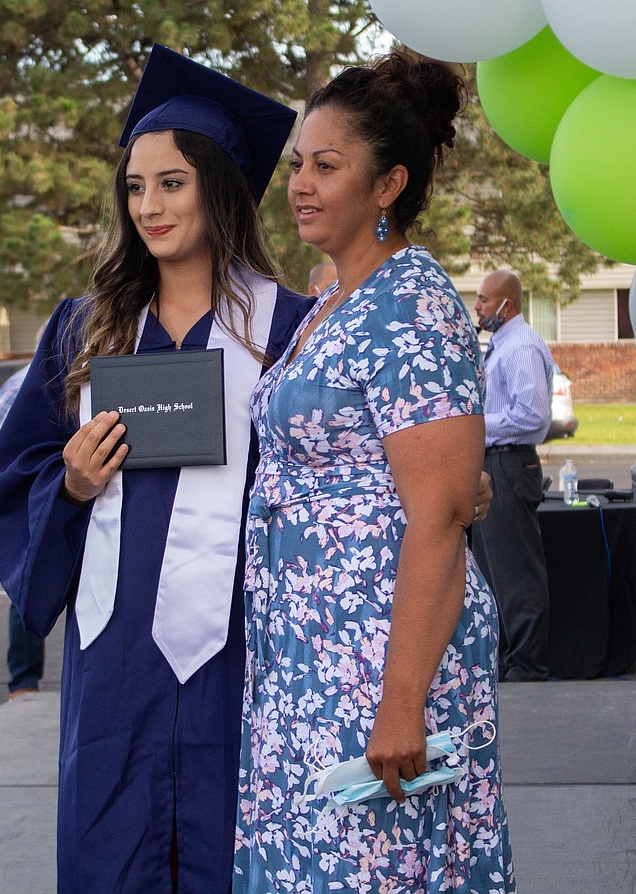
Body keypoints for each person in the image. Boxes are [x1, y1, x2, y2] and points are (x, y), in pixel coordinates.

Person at [0, 46, 311, 894]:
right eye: (134, 186)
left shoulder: (290, 326)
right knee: (111, 844)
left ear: (220, 184)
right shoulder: (85, 328)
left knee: (232, 842)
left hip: (238, 645)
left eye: (171, 182)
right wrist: (72, 483)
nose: (148, 206)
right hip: (117, 651)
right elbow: (15, 472)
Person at [234, 50, 515, 892]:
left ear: (387, 185)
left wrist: (403, 699)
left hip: (378, 653)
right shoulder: (330, 302)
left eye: (328, 165)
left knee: (378, 866)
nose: (302, 184)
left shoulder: (412, 299)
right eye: (297, 166)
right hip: (307, 652)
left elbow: (441, 512)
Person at [471, 269, 558, 682]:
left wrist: (473, 427)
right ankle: (508, 661)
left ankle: (527, 666)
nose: (478, 306)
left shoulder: (520, 346)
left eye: (485, 300)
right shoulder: (500, 344)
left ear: (508, 304)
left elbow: (532, 416)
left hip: (509, 463)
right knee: (493, 570)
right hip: (495, 463)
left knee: (515, 571)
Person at [0, 363, 45, 700]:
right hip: (35, 500)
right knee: (28, 588)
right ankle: (23, 682)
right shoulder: (24, 380)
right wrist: (12, 491)